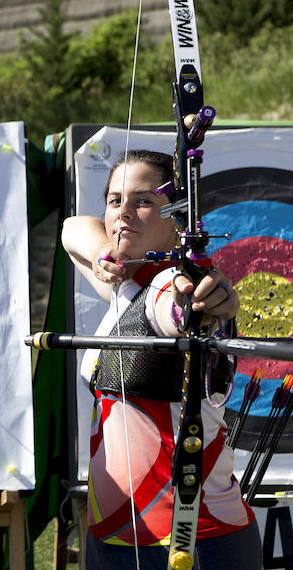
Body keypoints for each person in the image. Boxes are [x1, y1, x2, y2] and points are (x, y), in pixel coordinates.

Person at [61, 150, 260, 569]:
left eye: (144, 201)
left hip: (191, 540)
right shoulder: (126, 288)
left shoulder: (164, 286)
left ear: (178, 217)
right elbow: (71, 228)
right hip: (114, 536)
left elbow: (181, 309)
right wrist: (103, 257)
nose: (124, 213)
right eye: (115, 200)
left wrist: (209, 302)